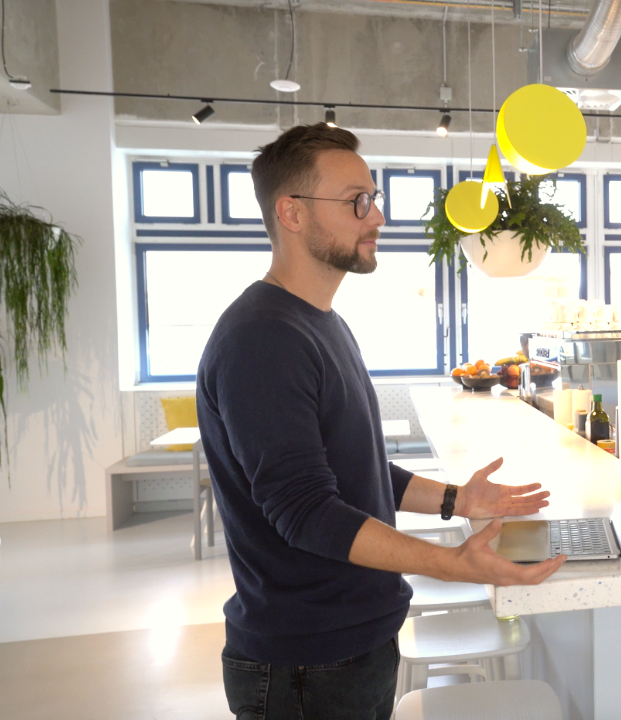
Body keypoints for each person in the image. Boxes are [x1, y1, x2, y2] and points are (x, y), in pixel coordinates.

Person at [197, 124, 567, 720]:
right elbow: (306, 513)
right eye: (357, 202)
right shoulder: (262, 338)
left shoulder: (318, 322)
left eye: (374, 199)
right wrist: (450, 564)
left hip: (350, 641)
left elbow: (352, 470)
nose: (378, 217)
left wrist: (456, 500)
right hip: (305, 664)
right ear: (291, 213)